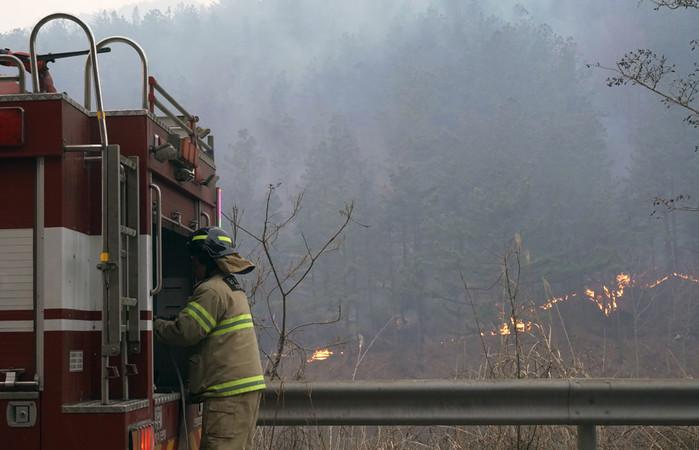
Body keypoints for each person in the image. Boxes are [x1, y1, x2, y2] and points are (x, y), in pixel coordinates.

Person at [155, 226, 265, 450]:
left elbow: (186, 331)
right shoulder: (230, 288)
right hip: (241, 392)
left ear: (206, 259)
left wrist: (152, 325)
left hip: (228, 395)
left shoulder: (211, 291)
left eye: (195, 260)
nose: (193, 265)